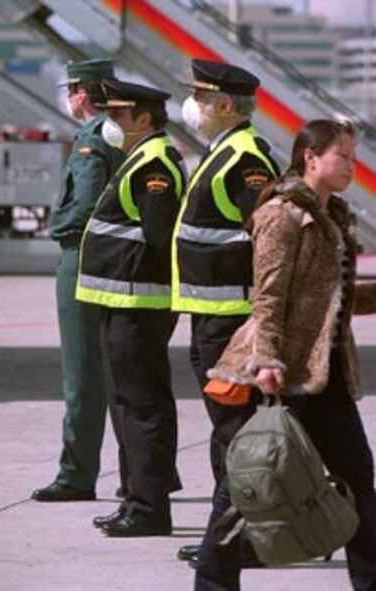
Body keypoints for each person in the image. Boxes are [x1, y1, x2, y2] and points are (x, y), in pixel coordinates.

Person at [194, 119, 376, 591]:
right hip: (276, 373)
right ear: (310, 156)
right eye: (342, 156)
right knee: (246, 487)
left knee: (357, 481)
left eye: (353, 157)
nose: (350, 166)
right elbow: (269, 298)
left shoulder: (333, 213)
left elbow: (328, 295)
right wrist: (267, 360)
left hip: (325, 375)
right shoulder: (282, 214)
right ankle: (213, 584)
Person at [171, 59, 279, 563]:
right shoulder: (222, 151)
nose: (192, 104)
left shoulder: (245, 158)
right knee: (226, 433)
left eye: (199, 95)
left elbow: (268, 240)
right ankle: (227, 537)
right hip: (212, 315)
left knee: (238, 435)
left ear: (223, 105)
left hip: (233, 320)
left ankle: (248, 540)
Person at [75, 79, 187, 536]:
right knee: (129, 403)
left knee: (142, 406)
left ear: (144, 118)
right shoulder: (139, 157)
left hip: (140, 303)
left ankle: (149, 508)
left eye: (119, 114)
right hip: (123, 299)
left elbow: (161, 241)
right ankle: (137, 498)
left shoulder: (155, 163)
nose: (111, 122)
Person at [32, 59, 124, 502]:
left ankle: (76, 474)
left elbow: (85, 202)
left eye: (71, 88)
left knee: (82, 373)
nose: (69, 97)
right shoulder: (115, 131)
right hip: (109, 260)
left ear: (82, 92)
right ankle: (142, 475)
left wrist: (59, 229)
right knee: (119, 372)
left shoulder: (93, 136)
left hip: (83, 257)